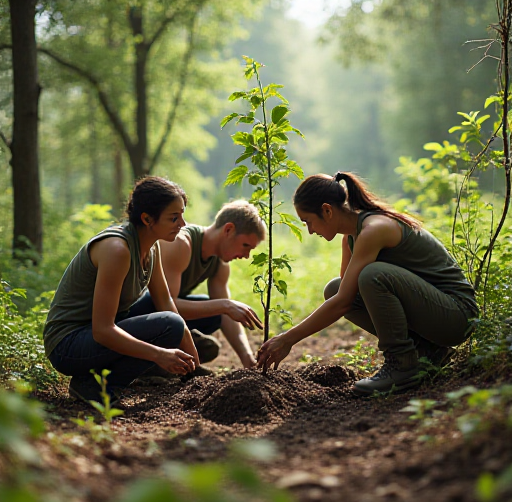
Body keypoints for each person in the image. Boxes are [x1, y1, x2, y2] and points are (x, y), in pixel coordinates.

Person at [257, 172, 479, 396]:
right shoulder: (351, 236)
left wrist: (288, 339)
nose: (310, 230)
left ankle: (401, 364)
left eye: (308, 222)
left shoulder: (374, 229)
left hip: (457, 315)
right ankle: (427, 352)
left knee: (372, 275)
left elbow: (343, 303)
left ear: (327, 210)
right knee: (335, 288)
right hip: (435, 312)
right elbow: (345, 296)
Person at [43, 176, 200, 405]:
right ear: (147, 219)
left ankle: (122, 373)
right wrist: (158, 354)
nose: (183, 224)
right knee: (170, 325)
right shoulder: (117, 250)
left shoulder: (151, 246)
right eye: (174, 218)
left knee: (168, 320)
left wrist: (194, 361)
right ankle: (93, 386)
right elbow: (103, 331)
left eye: (182, 215)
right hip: (67, 345)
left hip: (93, 335)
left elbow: (165, 301)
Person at [159, 200, 266, 369]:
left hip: (164, 315)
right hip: (134, 313)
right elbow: (164, 305)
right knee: (216, 307)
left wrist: (248, 359)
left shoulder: (220, 264)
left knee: (214, 313)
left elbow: (226, 316)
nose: (246, 255)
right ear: (228, 230)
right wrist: (224, 305)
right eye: (245, 245)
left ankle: (172, 354)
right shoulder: (181, 244)